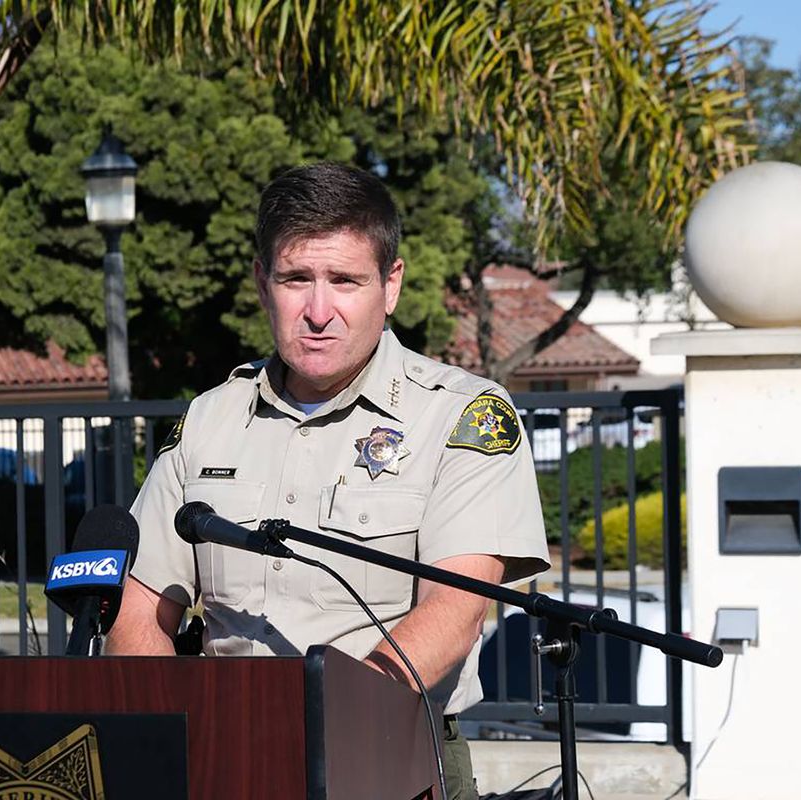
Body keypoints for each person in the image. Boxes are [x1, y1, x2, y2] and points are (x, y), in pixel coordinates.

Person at [107, 162, 550, 799]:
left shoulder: (461, 415)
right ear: (264, 284)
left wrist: (325, 729)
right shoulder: (210, 419)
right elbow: (139, 611)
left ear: (390, 285)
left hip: (390, 759)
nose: (319, 311)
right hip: (220, 756)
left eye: (345, 280)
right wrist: (177, 730)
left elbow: (454, 615)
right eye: (296, 279)